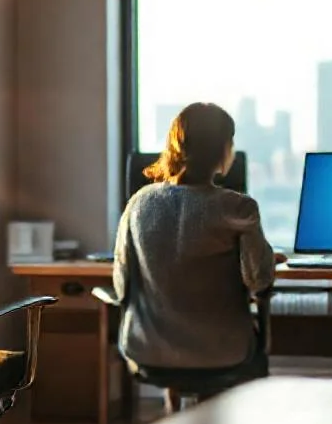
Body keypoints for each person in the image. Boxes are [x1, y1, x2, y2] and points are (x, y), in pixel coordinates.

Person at [112, 102, 282, 408]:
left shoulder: (138, 204)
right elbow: (259, 281)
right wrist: (268, 258)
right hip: (221, 352)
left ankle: (175, 417)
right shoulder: (238, 208)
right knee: (207, 353)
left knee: (177, 339)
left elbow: (122, 284)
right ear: (223, 150)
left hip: (150, 351)